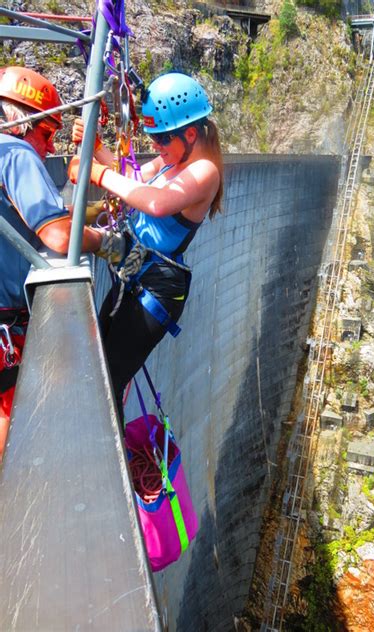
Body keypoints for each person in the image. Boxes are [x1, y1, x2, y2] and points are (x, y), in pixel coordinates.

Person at [68, 72, 223, 421]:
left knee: (108, 380)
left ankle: (109, 467)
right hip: (139, 276)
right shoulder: (172, 161)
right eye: (153, 138)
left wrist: (96, 174)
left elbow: (156, 203)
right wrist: (94, 150)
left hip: (158, 289)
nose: (156, 146)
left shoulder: (205, 171)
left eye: (162, 138)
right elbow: (132, 180)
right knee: (100, 367)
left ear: (190, 133)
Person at [0, 66, 104, 459]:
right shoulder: (15, 152)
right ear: (22, 121)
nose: (47, 147)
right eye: (46, 134)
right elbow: (59, 234)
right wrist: (106, 242)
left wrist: (86, 212)